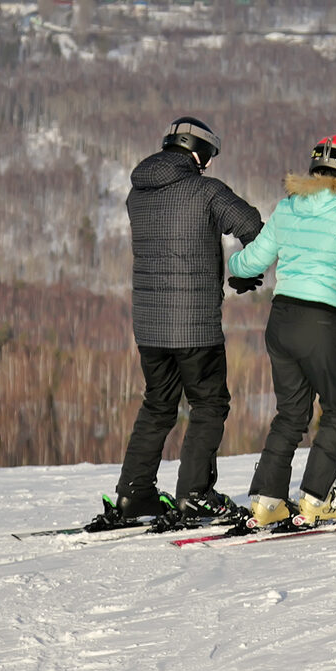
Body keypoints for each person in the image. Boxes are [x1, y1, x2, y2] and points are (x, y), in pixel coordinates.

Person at [88, 116, 264, 530]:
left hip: (149, 327)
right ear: (198, 152)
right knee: (209, 404)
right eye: (208, 155)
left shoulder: (138, 194)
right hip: (195, 325)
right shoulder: (206, 191)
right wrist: (241, 271)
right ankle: (195, 494)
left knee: (158, 404)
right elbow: (254, 227)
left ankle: (134, 493)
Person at [227, 133, 336, 529]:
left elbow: (252, 260)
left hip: (281, 322)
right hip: (320, 325)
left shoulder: (288, 208)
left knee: (290, 415)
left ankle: (267, 502)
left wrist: (238, 273)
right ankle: (318, 499)